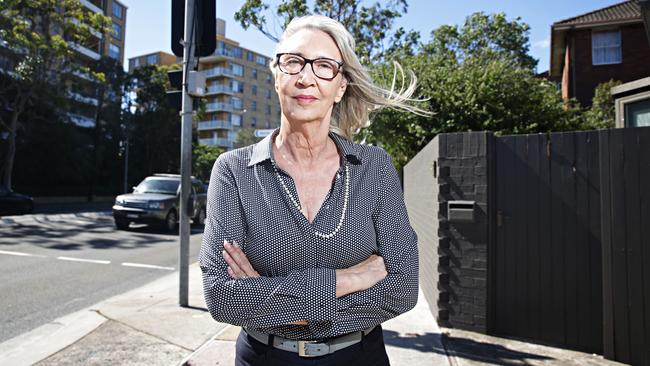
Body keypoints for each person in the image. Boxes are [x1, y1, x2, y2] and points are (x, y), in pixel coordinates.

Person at [199, 14, 427, 366]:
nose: (306, 77)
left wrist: (268, 301)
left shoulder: (375, 167)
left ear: (340, 87)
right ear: (277, 76)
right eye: (293, 62)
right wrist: (350, 278)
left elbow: (402, 287)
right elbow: (222, 298)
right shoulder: (232, 171)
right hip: (263, 358)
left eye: (324, 66)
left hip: (359, 356)